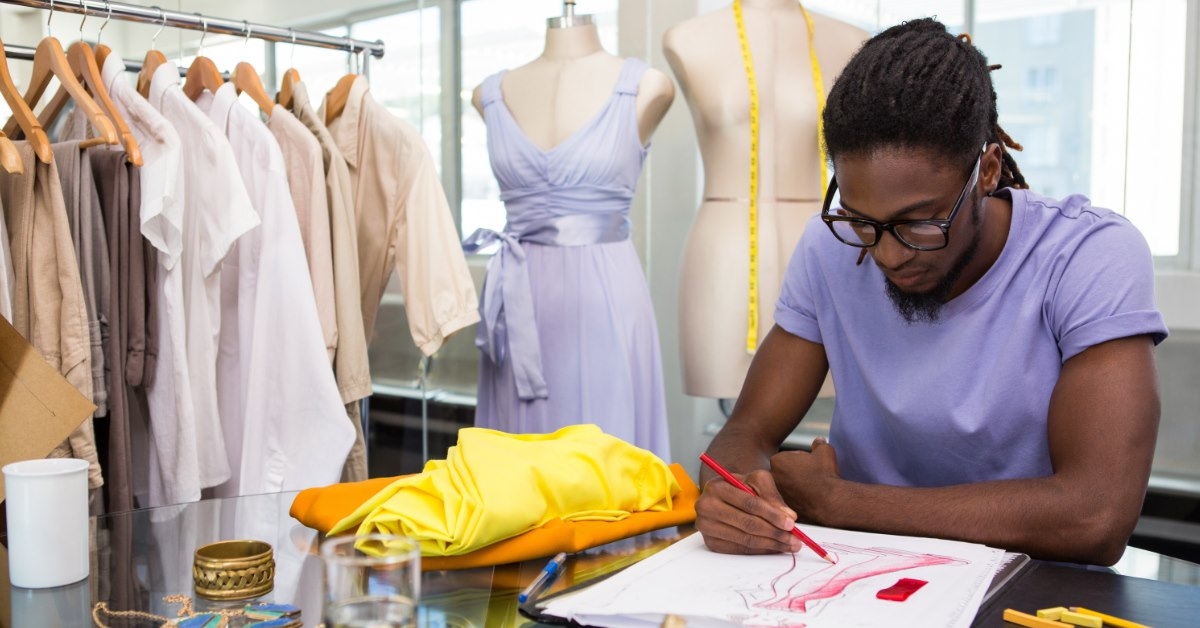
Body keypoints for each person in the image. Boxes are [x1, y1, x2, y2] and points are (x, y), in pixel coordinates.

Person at [695, 17, 1168, 566]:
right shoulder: (831, 248)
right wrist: (730, 497)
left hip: (1033, 595)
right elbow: (747, 429)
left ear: (988, 170)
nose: (888, 254)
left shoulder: (1087, 256)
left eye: (920, 222)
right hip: (860, 580)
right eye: (862, 219)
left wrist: (841, 502)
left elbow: (1094, 516)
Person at [465, 8, 675, 462]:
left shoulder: (648, 86)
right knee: (516, 464)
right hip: (518, 298)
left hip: (605, 298)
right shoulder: (489, 94)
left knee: (606, 454)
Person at [663, 1, 866, 399]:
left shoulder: (852, 42)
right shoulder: (686, 38)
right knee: (738, 423)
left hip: (821, 247)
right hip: (726, 259)